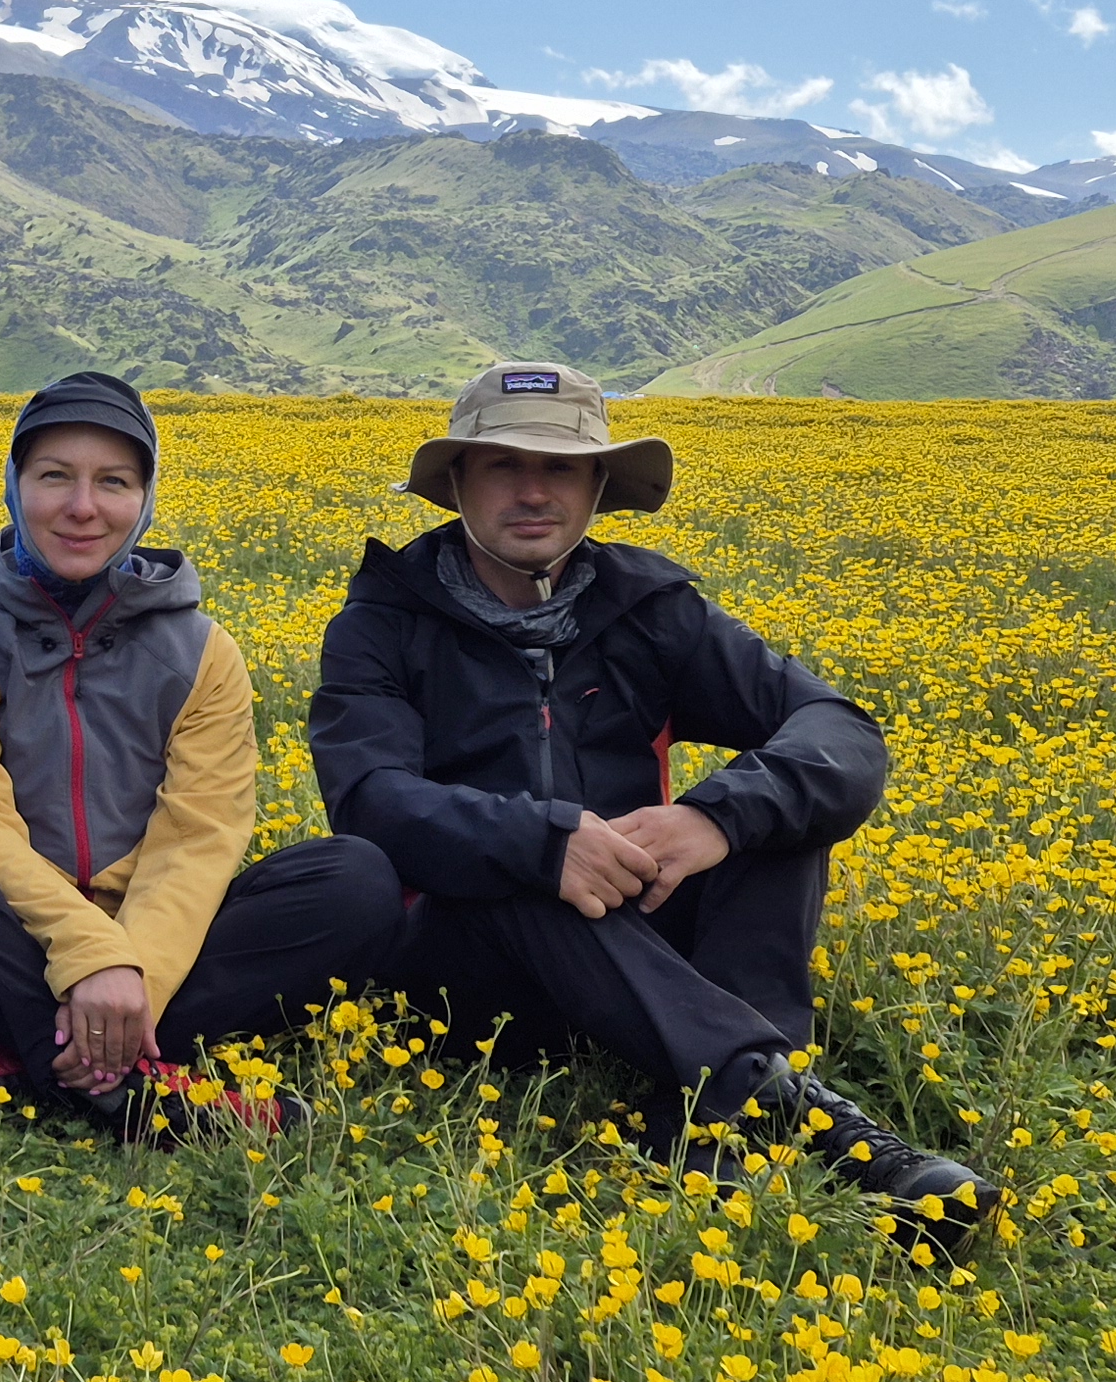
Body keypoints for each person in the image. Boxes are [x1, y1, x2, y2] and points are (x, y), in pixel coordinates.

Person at [305, 359, 999, 1237]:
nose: (532, 491)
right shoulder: (381, 623)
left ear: (598, 485)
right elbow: (370, 800)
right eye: (503, 465)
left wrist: (714, 816)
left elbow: (841, 734)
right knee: (524, 874)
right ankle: (797, 1112)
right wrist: (543, 843)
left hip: (637, 943)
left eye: (559, 467)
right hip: (466, 974)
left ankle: (709, 1128)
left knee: (773, 821)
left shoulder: (651, 608)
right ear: (457, 482)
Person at [0, 373, 407, 1142]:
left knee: (356, 879)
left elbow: (197, 838)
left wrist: (128, 973)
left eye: (113, 482)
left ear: (144, 498)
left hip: (154, 964)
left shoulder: (203, 652)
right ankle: (146, 1092)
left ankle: (20, 1065)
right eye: (54, 478)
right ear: (15, 488)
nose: (83, 507)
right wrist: (86, 955)